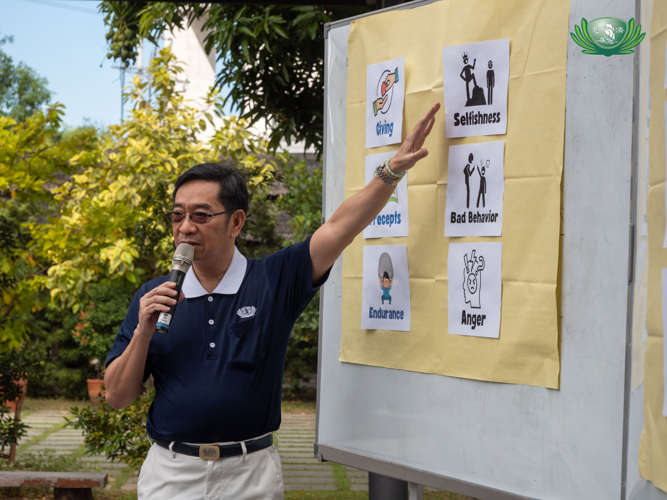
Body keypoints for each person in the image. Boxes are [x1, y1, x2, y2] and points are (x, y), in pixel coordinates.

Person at [103, 102, 441, 500]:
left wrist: (391, 171)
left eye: (200, 214)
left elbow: (338, 229)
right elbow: (117, 396)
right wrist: (143, 332)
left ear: (237, 222)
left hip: (250, 476)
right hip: (171, 475)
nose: (185, 227)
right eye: (177, 216)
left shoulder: (273, 280)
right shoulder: (153, 298)